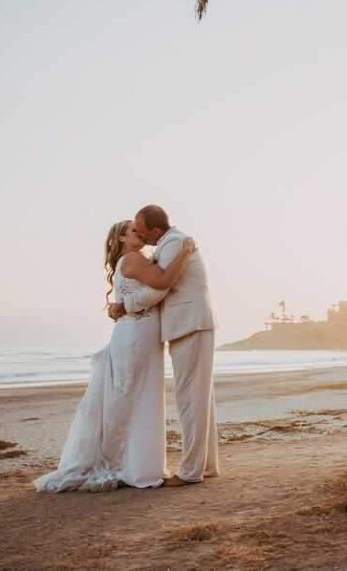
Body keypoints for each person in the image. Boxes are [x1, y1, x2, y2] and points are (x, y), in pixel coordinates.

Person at [34, 220, 195, 493]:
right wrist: (184, 253)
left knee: (139, 397)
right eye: (134, 231)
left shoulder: (137, 260)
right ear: (120, 238)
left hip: (141, 334)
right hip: (134, 335)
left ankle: (135, 464)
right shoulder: (131, 259)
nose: (141, 234)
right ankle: (118, 462)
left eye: (141, 230)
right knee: (128, 397)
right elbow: (163, 282)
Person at [108, 205, 219, 486]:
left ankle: (190, 472)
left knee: (191, 399)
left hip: (189, 324)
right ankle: (206, 466)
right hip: (190, 324)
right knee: (200, 398)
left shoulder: (174, 243)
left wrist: (126, 305)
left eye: (142, 232)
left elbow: (161, 286)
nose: (141, 237)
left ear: (156, 230)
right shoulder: (172, 243)